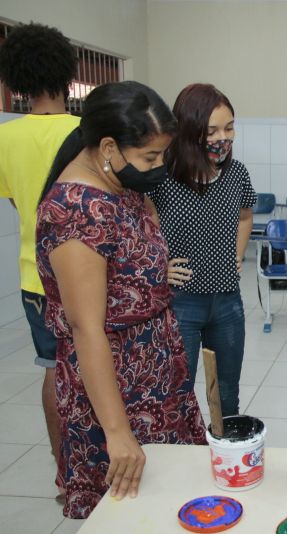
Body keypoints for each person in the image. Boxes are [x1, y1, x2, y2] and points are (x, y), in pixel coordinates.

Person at [36, 81, 207, 519]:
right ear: (108, 146)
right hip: (115, 393)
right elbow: (86, 328)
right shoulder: (76, 208)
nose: (157, 168)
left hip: (156, 377)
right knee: (129, 515)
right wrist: (117, 432)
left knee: (170, 505)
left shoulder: (123, 187)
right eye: (150, 157)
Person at [0, 23, 80, 498]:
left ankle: (65, 476)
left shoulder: (6, 138)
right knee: (99, 370)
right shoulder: (88, 132)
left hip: (36, 276)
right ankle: (106, 464)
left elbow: (18, 205)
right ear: (67, 74)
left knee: (54, 370)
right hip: (91, 275)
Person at [149, 83, 256, 417]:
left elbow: (245, 215)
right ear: (188, 132)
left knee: (227, 397)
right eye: (211, 131)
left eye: (229, 127)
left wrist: (237, 255)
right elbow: (140, 229)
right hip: (181, 303)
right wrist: (158, 266)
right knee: (177, 395)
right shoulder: (162, 179)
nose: (223, 137)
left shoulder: (236, 174)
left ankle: (226, 462)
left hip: (227, 303)